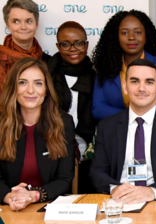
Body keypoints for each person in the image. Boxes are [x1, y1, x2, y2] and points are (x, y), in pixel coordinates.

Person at [90, 59, 156, 204]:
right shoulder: (107, 126)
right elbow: (96, 173)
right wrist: (114, 189)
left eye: (149, 82)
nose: (142, 88)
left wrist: (152, 192)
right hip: (118, 203)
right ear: (125, 87)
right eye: (134, 81)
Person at [0, 57, 74, 211]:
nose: (31, 90)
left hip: (50, 209)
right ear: (13, 87)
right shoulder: (1, 124)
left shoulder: (63, 123)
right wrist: (10, 197)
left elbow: (65, 179)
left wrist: (33, 196)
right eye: (22, 82)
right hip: (9, 209)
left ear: (46, 89)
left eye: (38, 83)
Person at [92, 10, 156, 121]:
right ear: (117, 37)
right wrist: (133, 117)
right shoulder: (105, 66)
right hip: (114, 134)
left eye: (138, 32)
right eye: (125, 33)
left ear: (147, 36)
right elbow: (98, 109)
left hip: (153, 133)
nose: (131, 37)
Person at [47, 21, 97, 193]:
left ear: (86, 45)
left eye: (78, 43)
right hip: (53, 147)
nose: (73, 49)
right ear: (58, 46)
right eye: (65, 44)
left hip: (88, 151)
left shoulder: (97, 77)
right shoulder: (46, 75)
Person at [0, 0, 51, 94]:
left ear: (37, 24)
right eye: (16, 21)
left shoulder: (49, 63)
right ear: (7, 25)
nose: (23, 27)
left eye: (28, 21)